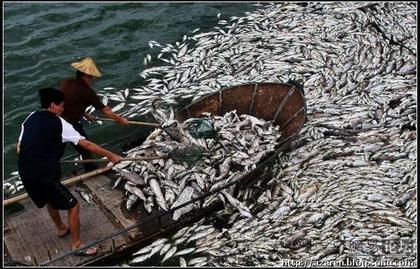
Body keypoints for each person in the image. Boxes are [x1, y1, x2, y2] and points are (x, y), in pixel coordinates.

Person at [17, 88, 122, 256]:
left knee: (51, 200)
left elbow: (19, 147)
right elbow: (85, 144)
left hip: (25, 172)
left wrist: (41, 156)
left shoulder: (30, 118)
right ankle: (77, 245)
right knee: (73, 205)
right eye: (61, 105)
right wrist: (112, 156)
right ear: (53, 105)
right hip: (44, 175)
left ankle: (61, 228)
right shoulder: (60, 124)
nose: (63, 109)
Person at [59, 57, 129, 171]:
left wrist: (85, 114)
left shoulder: (66, 83)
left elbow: (69, 102)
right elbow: (105, 110)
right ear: (86, 76)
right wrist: (121, 121)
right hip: (69, 124)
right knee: (86, 149)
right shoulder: (86, 91)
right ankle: (90, 170)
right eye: (91, 77)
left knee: (56, 151)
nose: (92, 79)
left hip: (56, 120)